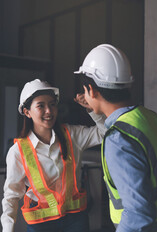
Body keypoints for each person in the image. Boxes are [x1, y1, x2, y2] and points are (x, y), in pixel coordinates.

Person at [1, 79, 106, 232]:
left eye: (52, 104)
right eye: (40, 106)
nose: (49, 111)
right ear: (27, 112)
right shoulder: (18, 152)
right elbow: (11, 195)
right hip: (41, 224)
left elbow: (105, 133)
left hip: (76, 220)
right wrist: (7, 229)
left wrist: (93, 110)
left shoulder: (72, 135)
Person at [74, 44, 157, 231]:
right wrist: (95, 109)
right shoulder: (149, 117)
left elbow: (138, 213)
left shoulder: (118, 139)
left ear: (91, 89)